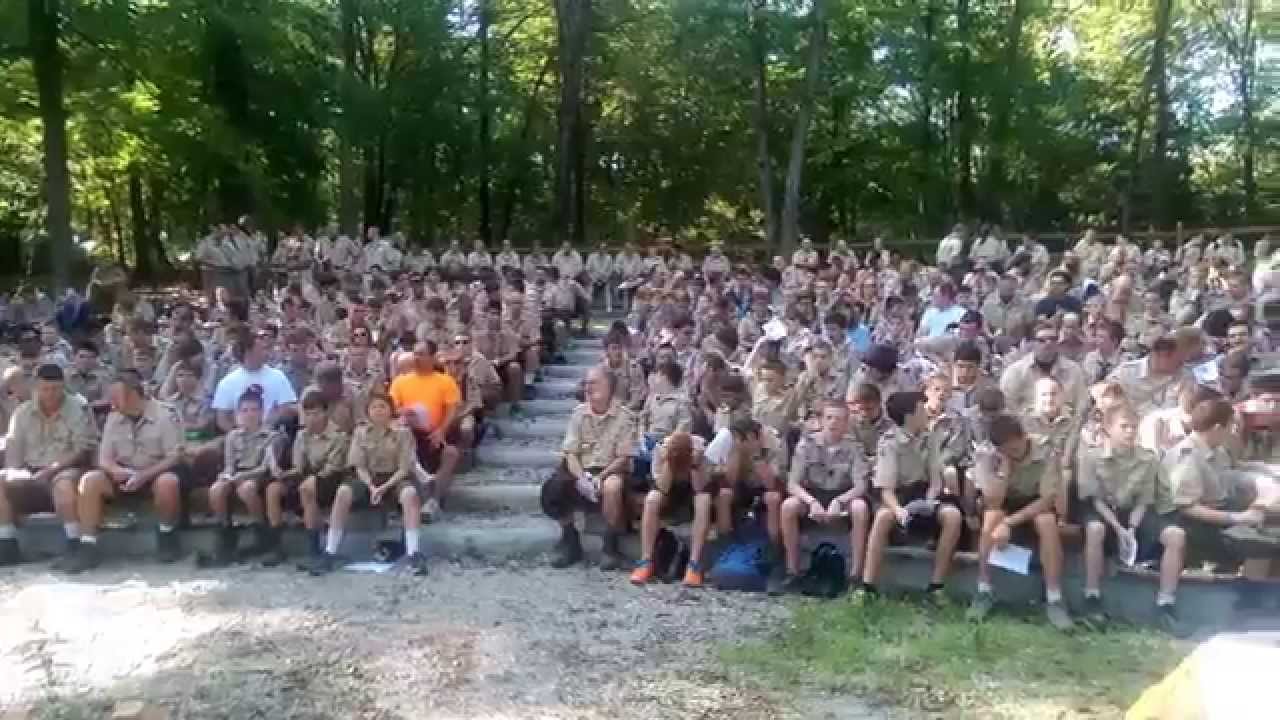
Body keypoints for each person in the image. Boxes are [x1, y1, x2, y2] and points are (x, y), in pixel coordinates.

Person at [1076, 404, 1187, 634]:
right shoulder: (1091, 457)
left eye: (1134, 427)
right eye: (1124, 426)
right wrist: (1119, 528)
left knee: (1176, 536)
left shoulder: (1148, 459)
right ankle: (1091, 596)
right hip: (1104, 511)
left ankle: (1165, 603)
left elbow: (1144, 501)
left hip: (1135, 513)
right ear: (1108, 429)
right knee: (1095, 529)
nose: (1130, 432)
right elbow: (1095, 500)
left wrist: (1132, 528)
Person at [72, 370, 190, 571]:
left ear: (134, 394)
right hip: (123, 475)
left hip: (155, 473)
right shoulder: (113, 417)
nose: (112, 403)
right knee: (90, 480)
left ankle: (167, 534)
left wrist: (144, 476)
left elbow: (174, 457)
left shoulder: (165, 415)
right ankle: (87, 544)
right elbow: (104, 459)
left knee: (168, 482)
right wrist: (115, 470)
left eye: (116, 397)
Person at [968, 415, 1073, 630]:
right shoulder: (988, 455)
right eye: (1006, 451)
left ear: (1024, 436)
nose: (1013, 454)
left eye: (1015, 449)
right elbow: (993, 501)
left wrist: (1009, 523)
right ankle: (984, 590)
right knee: (991, 517)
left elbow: (1046, 499)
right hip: (1005, 502)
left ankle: (1054, 598)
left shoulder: (1046, 450)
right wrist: (1004, 471)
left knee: (1047, 522)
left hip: (1035, 504)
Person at [860, 391, 965, 598]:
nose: (926, 413)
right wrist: (899, 511)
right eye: (921, 410)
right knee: (883, 517)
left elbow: (935, 478)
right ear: (909, 416)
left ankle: (936, 586)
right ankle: (867, 586)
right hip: (898, 496)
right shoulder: (889, 443)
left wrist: (930, 500)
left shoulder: (930, 438)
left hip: (924, 492)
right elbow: (886, 490)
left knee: (952, 516)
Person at [312, 390, 428, 576]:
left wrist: (383, 487)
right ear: (368, 412)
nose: (378, 411)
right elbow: (359, 465)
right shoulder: (360, 433)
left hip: (394, 478)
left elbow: (404, 467)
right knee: (343, 492)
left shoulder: (403, 433)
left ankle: (413, 553)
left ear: (391, 410)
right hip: (368, 478)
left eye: (382, 406)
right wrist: (372, 486)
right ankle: (330, 551)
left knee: (410, 495)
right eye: (374, 407)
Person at [0, 364, 98, 568]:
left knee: (63, 484)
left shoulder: (77, 409)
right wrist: (13, 471)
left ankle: (74, 543)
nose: (51, 394)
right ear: (36, 387)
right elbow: (13, 446)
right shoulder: (23, 412)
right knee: (2, 480)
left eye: (56, 389)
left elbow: (81, 449)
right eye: (45, 389)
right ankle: (7, 544)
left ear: (63, 386)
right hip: (31, 471)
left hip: (66, 469)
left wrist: (52, 470)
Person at [541, 367, 637, 569]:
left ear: (609, 387)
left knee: (612, 487)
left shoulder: (625, 417)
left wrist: (601, 477)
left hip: (610, 469)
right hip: (581, 468)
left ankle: (610, 545)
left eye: (594, 383)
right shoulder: (579, 414)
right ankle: (569, 539)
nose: (588, 387)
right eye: (586, 383)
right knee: (554, 487)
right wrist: (582, 478)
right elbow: (571, 452)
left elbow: (623, 458)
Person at [773, 401, 870, 594]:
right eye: (829, 418)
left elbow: (861, 485)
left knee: (860, 508)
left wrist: (839, 501)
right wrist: (812, 502)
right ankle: (792, 571)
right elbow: (793, 483)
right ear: (821, 420)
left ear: (846, 423)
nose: (833, 423)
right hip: (813, 494)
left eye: (839, 419)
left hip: (843, 495)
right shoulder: (806, 444)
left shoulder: (854, 448)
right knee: (788, 506)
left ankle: (856, 575)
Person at [275, 390, 351, 570]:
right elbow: (299, 466)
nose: (312, 419)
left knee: (307, 488)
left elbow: (334, 466)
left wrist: (313, 477)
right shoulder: (302, 435)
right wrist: (282, 473)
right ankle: (274, 546)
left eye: (316, 414)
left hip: (331, 478)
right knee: (273, 489)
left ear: (326, 412)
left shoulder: (339, 435)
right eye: (308, 414)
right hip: (306, 476)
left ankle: (314, 549)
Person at [202, 388, 278, 567]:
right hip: (236, 474)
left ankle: (262, 531)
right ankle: (225, 532)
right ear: (238, 413)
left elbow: (265, 467)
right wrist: (227, 475)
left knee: (247, 489)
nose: (249, 414)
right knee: (216, 489)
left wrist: (241, 476)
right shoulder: (232, 436)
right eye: (244, 410)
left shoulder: (272, 436)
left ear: (261, 412)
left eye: (254, 410)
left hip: (259, 475)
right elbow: (229, 464)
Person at [388, 341, 463, 516]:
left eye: (421, 354)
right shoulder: (400, 382)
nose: (416, 357)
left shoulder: (445, 381)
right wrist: (404, 413)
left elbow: (452, 410)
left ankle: (433, 501)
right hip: (407, 435)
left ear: (432, 357)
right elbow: (391, 409)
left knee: (451, 453)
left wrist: (441, 431)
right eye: (415, 353)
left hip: (433, 434)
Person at [211, 327, 298, 434]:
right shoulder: (227, 382)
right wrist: (240, 435)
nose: (266, 352)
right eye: (261, 349)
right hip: (239, 437)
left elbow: (286, 410)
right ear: (248, 352)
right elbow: (222, 420)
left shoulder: (278, 376)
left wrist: (266, 430)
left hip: (271, 436)